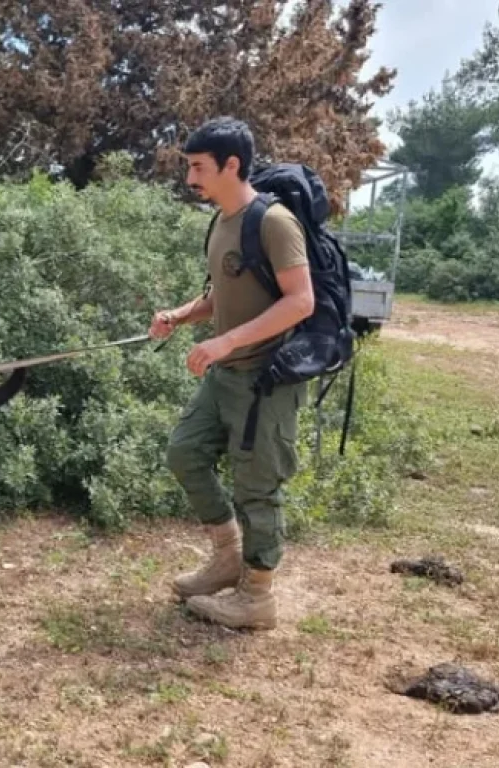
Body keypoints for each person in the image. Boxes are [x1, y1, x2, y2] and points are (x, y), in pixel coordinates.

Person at [150, 117, 315, 630]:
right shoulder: (222, 220)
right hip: (225, 375)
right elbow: (225, 291)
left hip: (265, 381)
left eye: (199, 168)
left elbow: (301, 301)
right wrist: (182, 315)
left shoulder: (273, 221)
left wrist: (226, 341)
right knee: (184, 452)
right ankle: (226, 557)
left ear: (232, 165)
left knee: (257, 487)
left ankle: (257, 596)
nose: (191, 179)